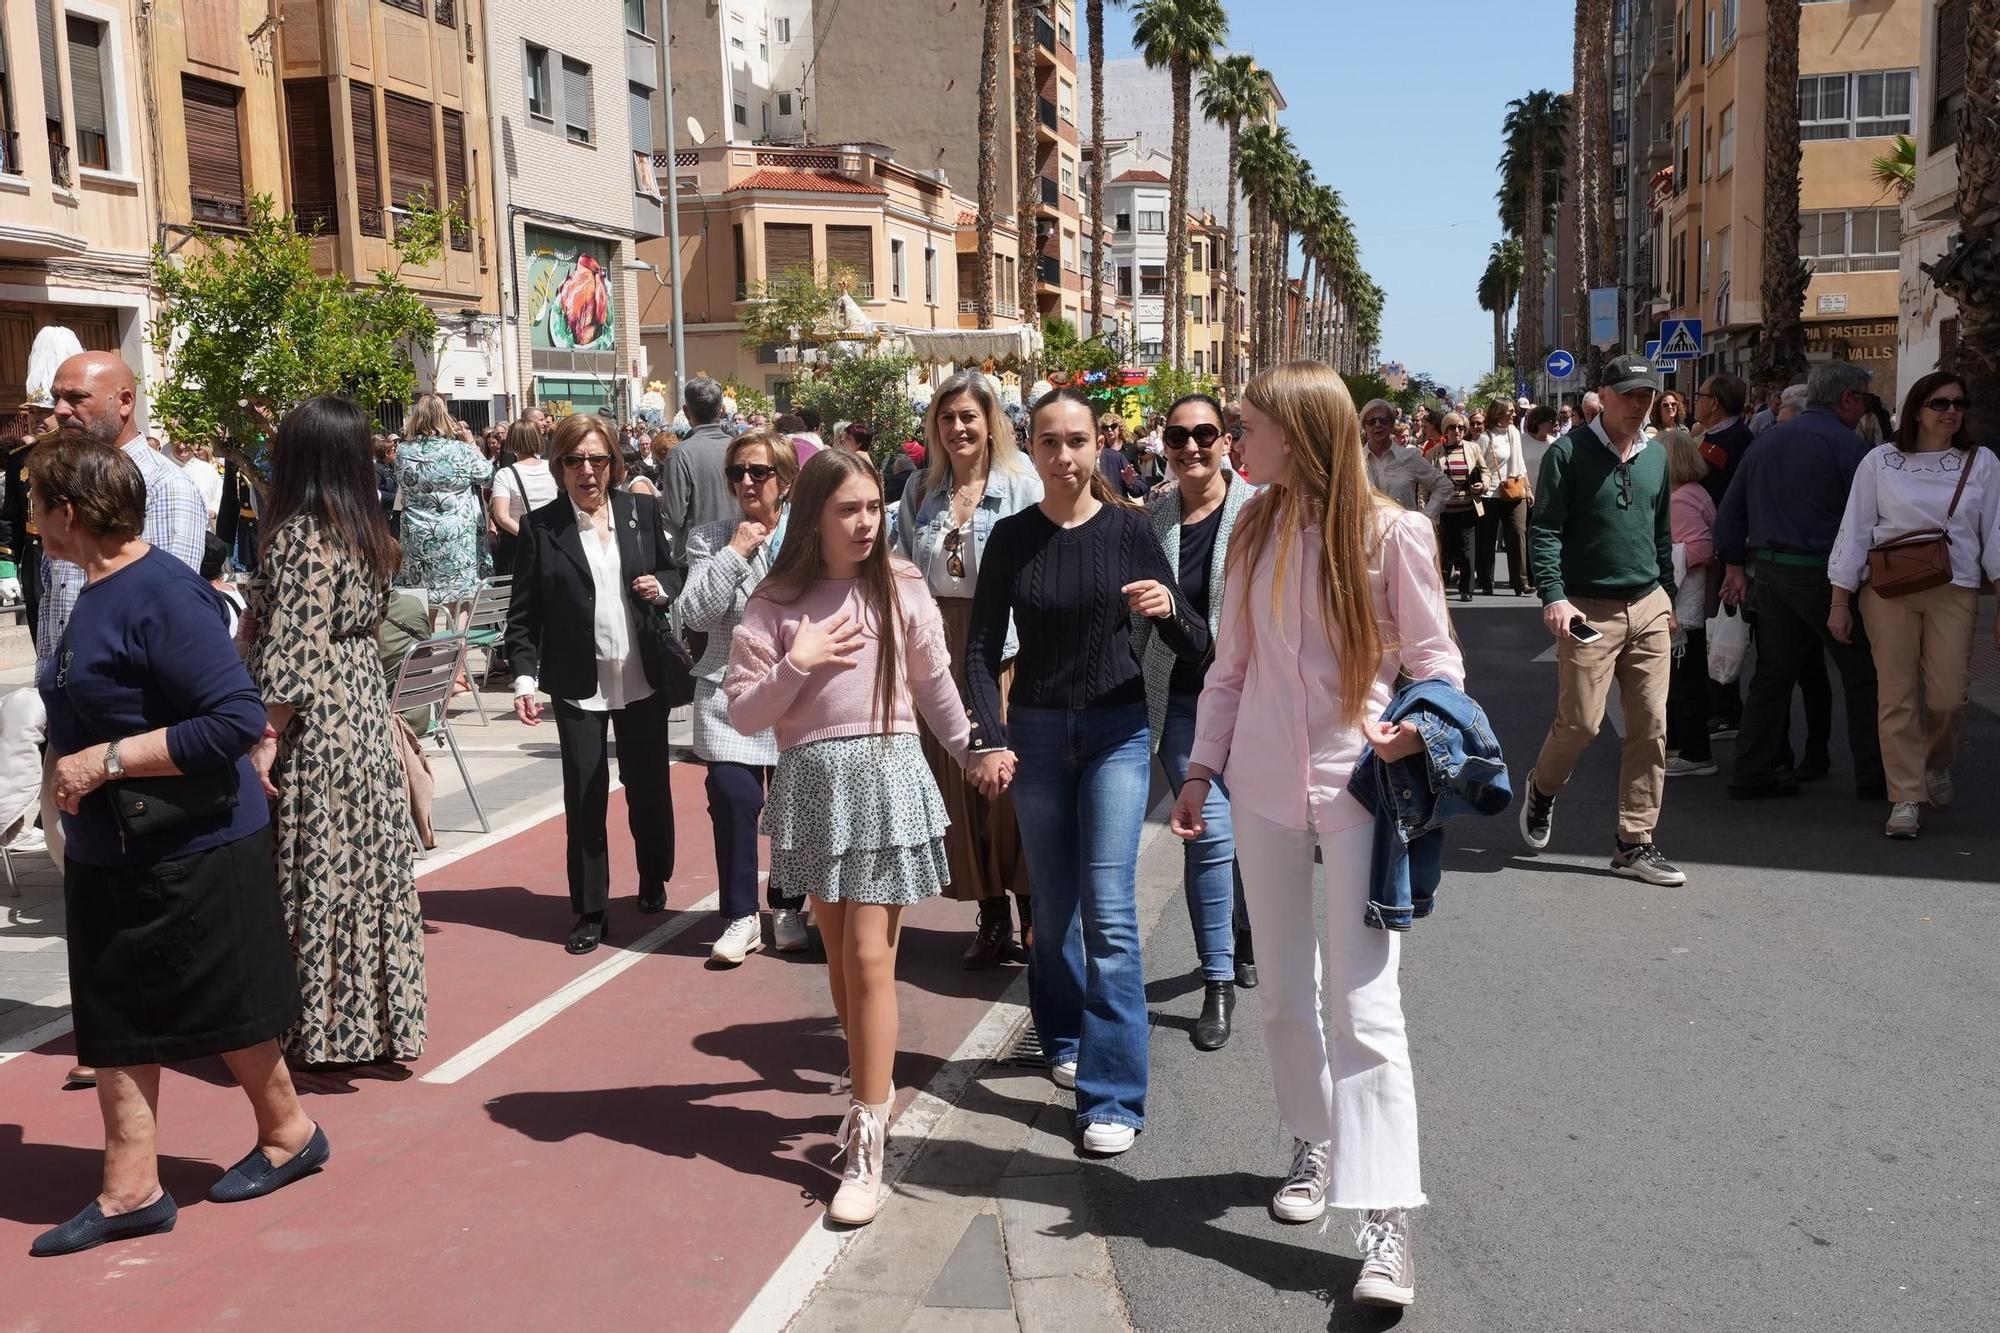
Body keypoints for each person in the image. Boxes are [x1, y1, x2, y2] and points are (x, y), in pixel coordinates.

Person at [1172, 361, 1461, 1310]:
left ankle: (1386, 1223)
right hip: (1257, 786)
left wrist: (1415, 722)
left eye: (1247, 427)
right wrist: (1202, 768)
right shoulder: (1253, 528)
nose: (1235, 442)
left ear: (1295, 434)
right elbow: (1229, 665)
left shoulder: (1392, 533)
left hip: (1360, 790)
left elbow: (1437, 662)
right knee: (1285, 998)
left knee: (1366, 1008)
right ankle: (1313, 1139)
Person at [30, 438, 323, 1258]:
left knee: (223, 1000)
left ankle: (288, 1132)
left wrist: (107, 760)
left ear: (70, 513)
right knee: (114, 1008)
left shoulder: (162, 592)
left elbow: (235, 719)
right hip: (114, 845)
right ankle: (137, 1184)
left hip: (188, 841)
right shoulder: (89, 584)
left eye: (34, 503)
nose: (27, 519)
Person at [723, 449, 974, 1227]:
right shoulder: (776, 599)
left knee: (870, 956)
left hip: (886, 773)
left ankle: (868, 1134)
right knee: (840, 958)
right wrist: (795, 663)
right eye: (849, 509)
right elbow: (742, 713)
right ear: (816, 516)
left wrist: (973, 749)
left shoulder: (899, 583)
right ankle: (871, 1081)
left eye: (873, 507)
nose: (866, 522)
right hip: (812, 785)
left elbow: (933, 680)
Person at [963, 387, 1208, 1158]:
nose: (1064, 456)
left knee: (1109, 911)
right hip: (1034, 731)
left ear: (1096, 445)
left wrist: (1169, 607)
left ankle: (1113, 1093)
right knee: (1055, 908)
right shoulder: (1009, 538)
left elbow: (1198, 645)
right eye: (1048, 442)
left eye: (1076, 441)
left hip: (1116, 731)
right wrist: (990, 736)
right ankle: (1062, 1032)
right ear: (1029, 450)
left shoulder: (1133, 532)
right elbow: (977, 649)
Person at [243, 397, 428, 1067]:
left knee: (316, 871)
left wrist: (264, 738)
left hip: (318, 726)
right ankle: (376, 1022)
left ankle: (316, 1027)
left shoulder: (300, 534)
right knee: (370, 872)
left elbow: (292, 654)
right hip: (363, 710)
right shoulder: (365, 530)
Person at [506, 414, 683, 955]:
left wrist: (663, 586)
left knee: (648, 790)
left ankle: (653, 878)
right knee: (584, 797)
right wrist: (523, 679)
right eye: (576, 461)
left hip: (641, 677)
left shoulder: (641, 511)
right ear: (559, 466)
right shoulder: (542, 527)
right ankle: (590, 908)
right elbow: (523, 615)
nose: (588, 471)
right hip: (578, 682)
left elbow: (673, 571)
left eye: (598, 460)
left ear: (613, 462)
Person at [1518, 355, 1686, 886]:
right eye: (1629, 395)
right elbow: (1543, 530)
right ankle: (1542, 789)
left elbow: (1662, 532)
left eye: (1647, 396)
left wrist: (1669, 596)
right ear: (1604, 395)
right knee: (1583, 723)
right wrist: (1554, 596)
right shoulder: (1568, 453)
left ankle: (1635, 842)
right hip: (1588, 611)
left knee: (1651, 726)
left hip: (1649, 606)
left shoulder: (1656, 456)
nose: (1639, 405)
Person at [894, 372, 1041, 969]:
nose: (958, 428)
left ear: (990, 424)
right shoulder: (920, 491)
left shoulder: (1020, 483)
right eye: (947, 418)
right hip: (940, 646)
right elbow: (903, 569)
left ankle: (1032, 907)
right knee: (959, 787)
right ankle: (990, 916)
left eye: (969, 417)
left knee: (1006, 781)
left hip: (1002, 643)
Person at [1827, 372, 2000, 839]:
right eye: (1940, 402)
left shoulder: (1980, 462)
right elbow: (1855, 528)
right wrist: (1839, 599)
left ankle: (1936, 762)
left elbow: (1996, 534)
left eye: (1959, 403)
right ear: (1917, 408)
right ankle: (1905, 796)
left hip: (1955, 586)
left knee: (1948, 697)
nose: (1951, 411)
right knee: (1896, 693)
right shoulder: (1881, 461)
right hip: (1887, 591)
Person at [1136, 394, 1257, 1050]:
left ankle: (1243, 929)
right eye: (1178, 435)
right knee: (1208, 830)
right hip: (1181, 700)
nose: (1190, 447)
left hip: (1257, 701)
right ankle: (1217, 979)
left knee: (1253, 832)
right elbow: (1133, 618)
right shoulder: (1153, 519)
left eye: (1203, 434)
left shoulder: (1262, 514)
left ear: (1227, 439)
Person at [1714, 361, 1885, 802]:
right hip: (1827, 575)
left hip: (1769, 574)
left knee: (1771, 677)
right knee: (1859, 674)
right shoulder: (1850, 448)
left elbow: (1730, 512)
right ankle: (1873, 774)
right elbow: (1872, 519)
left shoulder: (1765, 442)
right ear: (1847, 399)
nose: (1865, 410)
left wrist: (1734, 567)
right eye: (1864, 400)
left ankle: (1751, 770)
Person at [675, 428, 810, 963]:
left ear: (786, 480)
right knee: (733, 795)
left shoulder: (808, 537)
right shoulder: (710, 538)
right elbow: (696, 614)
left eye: (760, 472)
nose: (747, 482)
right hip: (727, 692)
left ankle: (788, 905)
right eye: (737, 473)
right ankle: (739, 915)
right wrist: (734, 553)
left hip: (797, 689)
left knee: (795, 800)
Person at [394, 393, 492, 631]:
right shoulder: (460, 450)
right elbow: (486, 475)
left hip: (419, 535)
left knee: (423, 601)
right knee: (460, 603)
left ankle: (423, 661)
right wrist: (470, 442)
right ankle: (456, 666)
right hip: (456, 536)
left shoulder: (402, 452)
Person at [1658, 429, 1718, 778]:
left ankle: (1694, 752)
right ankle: (1682, 745)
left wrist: (1663, 557)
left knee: (1684, 682)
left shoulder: (1680, 499)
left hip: (1684, 605)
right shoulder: (1694, 493)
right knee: (1685, 679)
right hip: (1691, 603)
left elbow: (1699, 549)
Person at [661, 378, 738, 559]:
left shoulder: (680, 454)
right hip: (738, 552)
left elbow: (672, 518)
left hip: (697, 560)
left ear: (686, 411)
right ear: (721, 410)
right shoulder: (738, 448)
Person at [489, 416, 558, 580]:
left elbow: (502, 516)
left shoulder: (505, 475)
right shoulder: (554, 468)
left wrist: (529, 535)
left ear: (511, 440)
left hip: (518, 544)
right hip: (552, 538)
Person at [1429, 412, 1486, 602]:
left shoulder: (1473, 449)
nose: (1458, 431)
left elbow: (1484, 472)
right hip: (1443, 511)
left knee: (1467, 551)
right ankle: (1440, 587)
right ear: (1446, 430)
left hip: (1467, 508)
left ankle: (1466, 589)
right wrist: (1424, 508)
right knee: (1444, 552)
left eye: (1461, 427)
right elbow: (1424, 483)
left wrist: (1483, 485)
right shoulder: (1435, 453)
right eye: (1453, 427)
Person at [1476, 397, 1531, 595]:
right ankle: (1485, 581)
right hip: (1490, 495)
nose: (1514, 414)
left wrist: (1528, 487)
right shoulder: (1485, 438)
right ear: (1498, 413)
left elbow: (1521, 462)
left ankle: (1520, 582)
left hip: (1515, 491)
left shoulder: (1515, 433)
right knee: (1488, 538)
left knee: (1517, 534)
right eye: (1509, 411)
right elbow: (1478, 466)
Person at [1360, 398, 1448, 521]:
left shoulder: (1409, 456)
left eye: (1383, 420)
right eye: (1371, 421)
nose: (1377, 425)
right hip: (1367, 535)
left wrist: (1425, 518)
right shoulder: (1355, 461)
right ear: (1364, 426)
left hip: (1403, 535)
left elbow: (1444, 485)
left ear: (1391, 425)